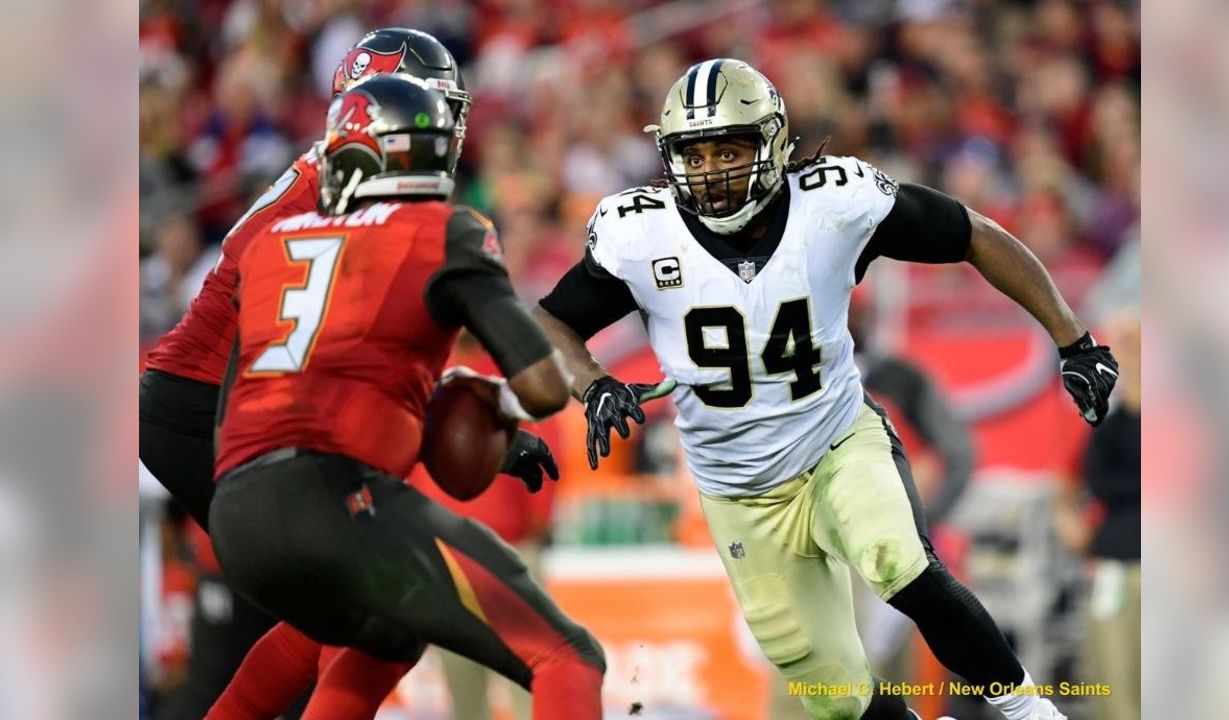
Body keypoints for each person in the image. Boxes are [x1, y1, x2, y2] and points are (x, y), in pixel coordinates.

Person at [534, 59, 1119, 720]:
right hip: (738, 492)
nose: (714, 172)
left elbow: (972, 235)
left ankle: (1029, 713)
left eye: (731, 149)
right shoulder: (639, 233)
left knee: (899, 562)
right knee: (837, 698)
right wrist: (591, 383)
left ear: (775, 142)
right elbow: (551, 318)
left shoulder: (834, 203)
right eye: (694, 155)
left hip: (835, 440)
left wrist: (1073, 339)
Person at [139, 29, 561, 718]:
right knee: (367, 608)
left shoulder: (342, 179)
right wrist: (493, 416)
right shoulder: (350, 193)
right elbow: (350, 354)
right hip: (209, 406)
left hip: (217, 402)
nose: (444, 128)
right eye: (429, 110)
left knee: (350, 615)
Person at [1055, 309, 1140, 720]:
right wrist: (1066, 517)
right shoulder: (1105, 419)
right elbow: (1069, 482)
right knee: (1112, 679)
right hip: (1114, 561)